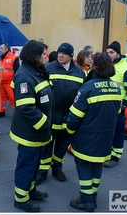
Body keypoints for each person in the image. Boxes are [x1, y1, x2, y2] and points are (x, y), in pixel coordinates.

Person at [67, 52, 121, 212]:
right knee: (97, 167)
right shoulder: (116, 88)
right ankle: (93, 197)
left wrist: (69, 131)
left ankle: (86, 200)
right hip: (106, 138)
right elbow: (116, 113)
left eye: (92, 63)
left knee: (84, 168)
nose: (90, 65)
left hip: (86, 137)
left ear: (95, 67)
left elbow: (75, 116)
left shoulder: (88, 87)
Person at [10, 40, 52, 212]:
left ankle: (30, 189)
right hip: (31, 132)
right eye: (43, 54)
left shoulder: (35, 71)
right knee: (27, 165)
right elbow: (26, 108)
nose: (45, 57)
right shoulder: (25, 76)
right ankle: (21, 198)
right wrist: (44, 124)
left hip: (37, 131)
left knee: (33, 165)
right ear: (34, 55)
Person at [36, 43, 86, 184]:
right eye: (59, 53)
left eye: (64, 53)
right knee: (46, 145)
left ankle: (57, 168)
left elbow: (82, 95)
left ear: (71, 56)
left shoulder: (80, 72)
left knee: (62, 145)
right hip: (50, 116)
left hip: (68, 117)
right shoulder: (48, 68)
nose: (60, 55)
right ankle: (42, 171)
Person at [104, 41, 127, 168]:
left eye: (111, 52)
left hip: (117, 108)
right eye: (107, 52)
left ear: (118, 53)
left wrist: (123, 106)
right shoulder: (106, 66)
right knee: (106, 132)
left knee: (117, 133)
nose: (109, 55)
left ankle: (115, 157)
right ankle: (106, 154)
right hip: (105, 107)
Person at [0, 42, 20, 118]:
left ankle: (16, 112)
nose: (0, 50)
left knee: (12, 97)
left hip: (10, 82)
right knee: (1, 97)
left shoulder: (13, 58)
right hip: (0, 81)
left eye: (1, 48)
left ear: (6, 49)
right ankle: (1, 111)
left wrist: (16, 81)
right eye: (0, 48)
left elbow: (17, 70)